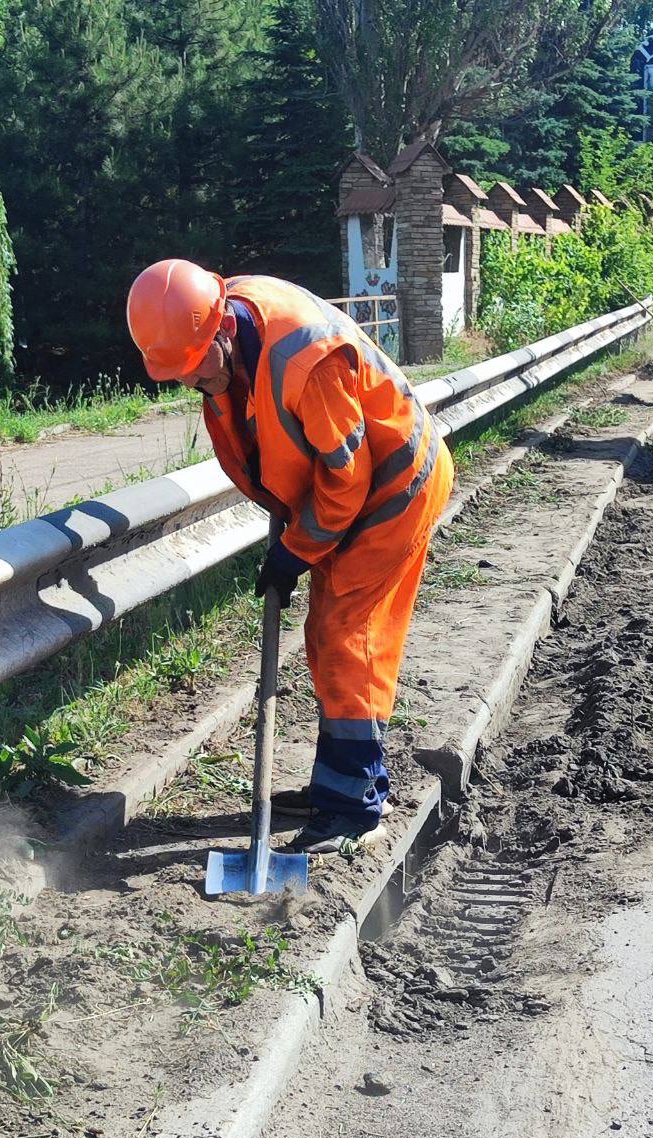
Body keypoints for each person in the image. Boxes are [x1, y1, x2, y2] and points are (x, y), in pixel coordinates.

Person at [126, 260, 453, 855]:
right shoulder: (229, 328)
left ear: (222, 328)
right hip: (344, 496)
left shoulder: (305, 362)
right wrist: (291, 530)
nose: (195, 384)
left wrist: (295, 551)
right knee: (327, 637)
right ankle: (344, 780)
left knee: (347, 634)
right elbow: (270, 440)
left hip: (392, 488)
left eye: (199, 371)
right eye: (183, 377)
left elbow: (345, 477)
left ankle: (354, 808)